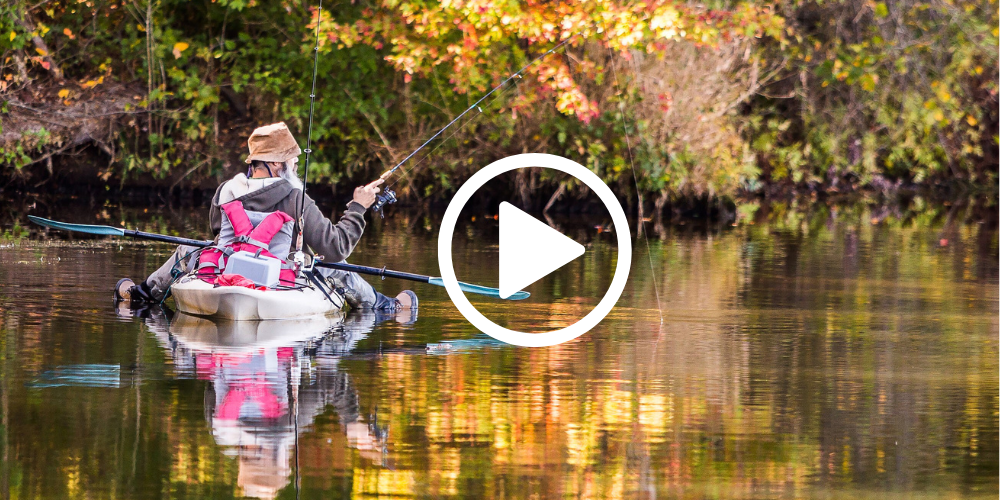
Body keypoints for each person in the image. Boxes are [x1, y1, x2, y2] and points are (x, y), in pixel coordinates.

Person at [114, 122, 416, 312]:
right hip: (279, 279)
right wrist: (358, 206)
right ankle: (387, 307)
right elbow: (335, 248)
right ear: (276, 164)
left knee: (188, 252)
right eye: (293, 163)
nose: (295, 168)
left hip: (226, 269)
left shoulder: (225, 190)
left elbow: (217, 232)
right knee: (339, 267)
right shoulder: (296, 199)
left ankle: (137, 296)